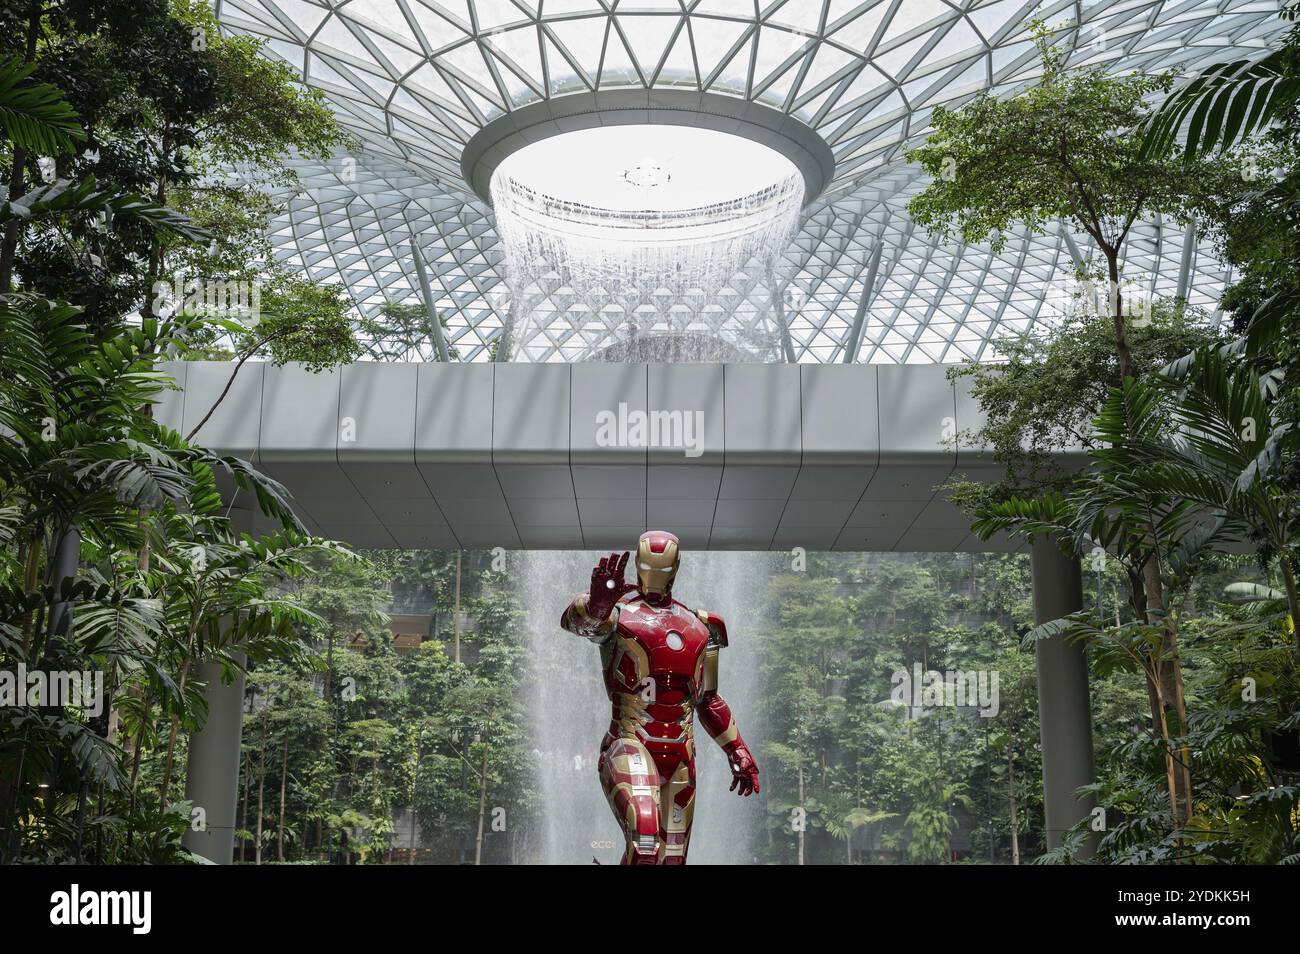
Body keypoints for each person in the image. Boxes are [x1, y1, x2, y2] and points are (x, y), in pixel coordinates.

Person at [559, 530, 760, 864]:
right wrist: (596, 605)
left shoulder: (701, 626)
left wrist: (737, 748)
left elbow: (708, 699)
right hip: (630, 744)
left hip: (681, 756)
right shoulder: (618, 614)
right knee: (645, 840)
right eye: (649, 567)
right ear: (638, 565)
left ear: (676, 567)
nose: (654, 576)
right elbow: (576, 622)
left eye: (663, 569)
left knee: (673, 858)